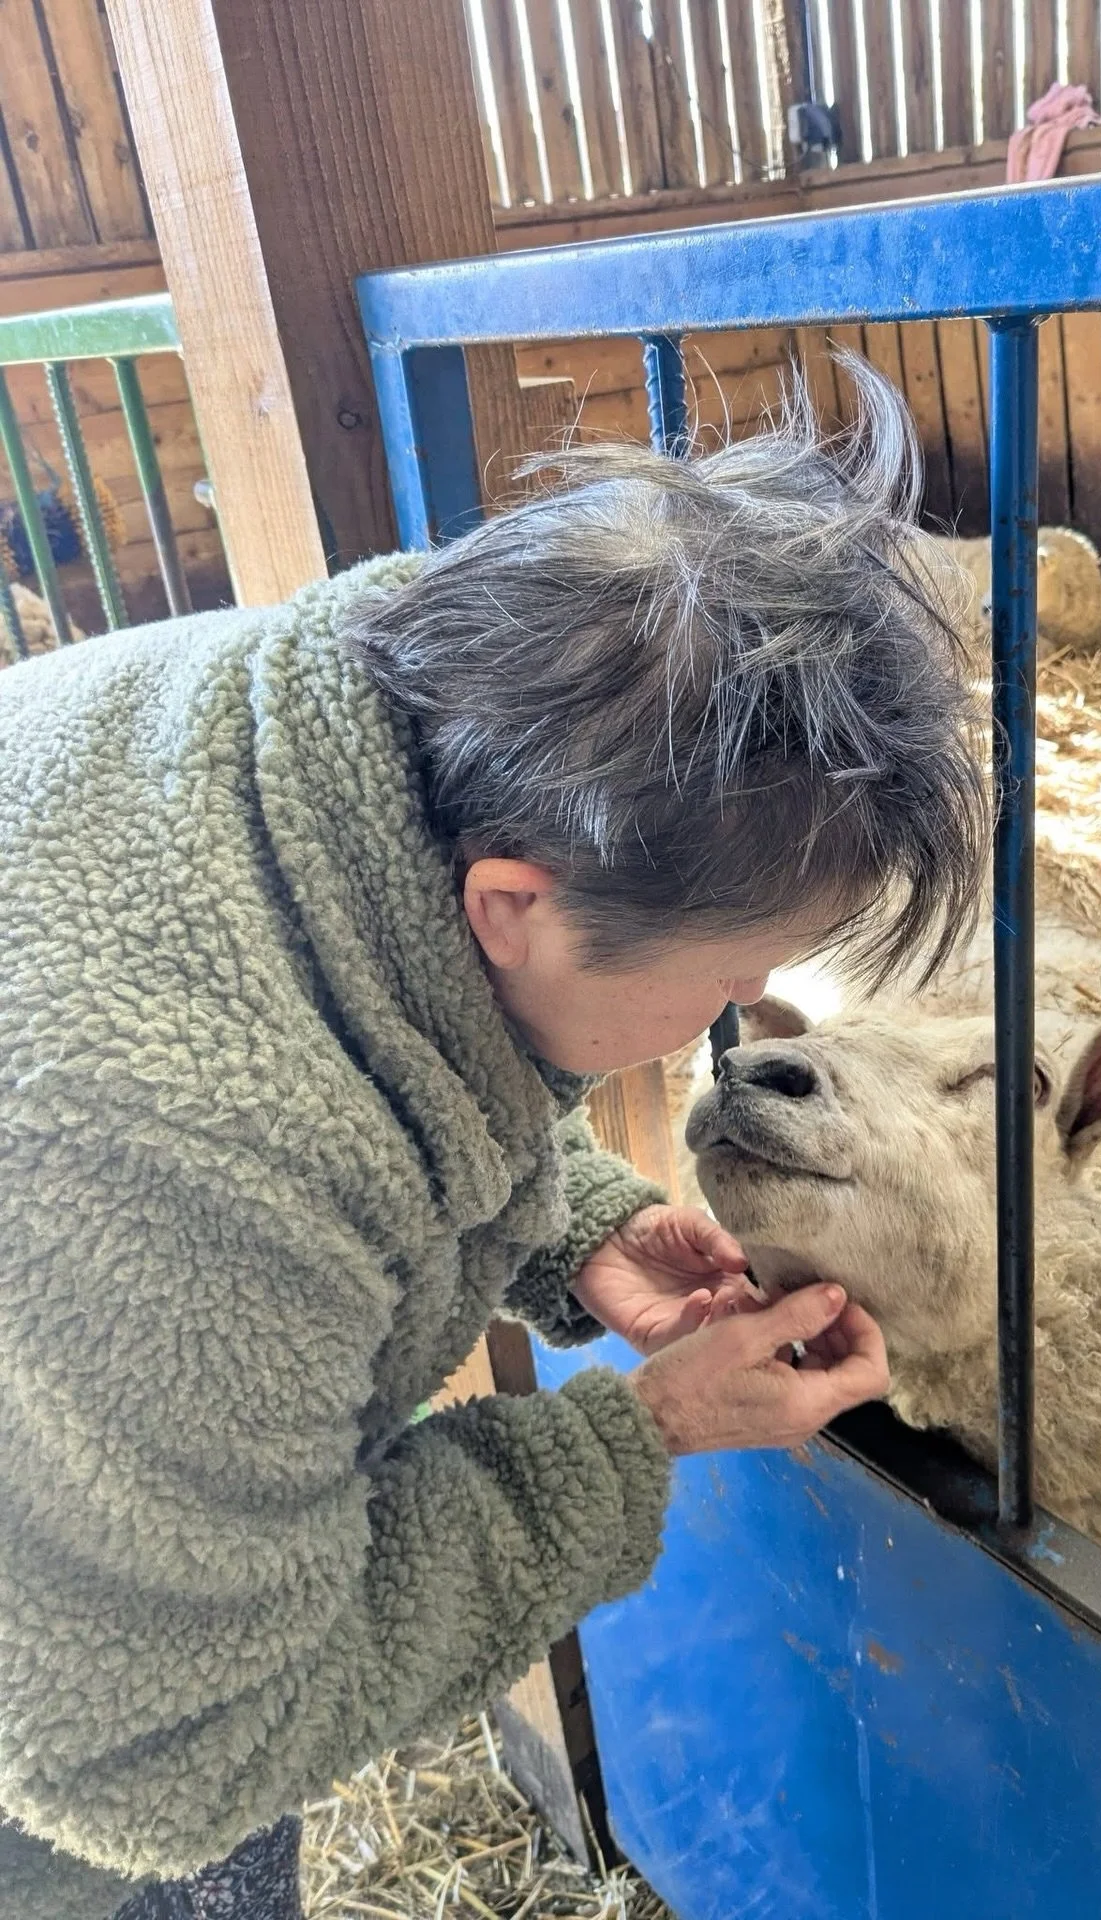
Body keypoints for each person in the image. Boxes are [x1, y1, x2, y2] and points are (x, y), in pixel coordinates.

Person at [0, 367, 987, 1919]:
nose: (745, 1013)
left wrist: (570, 1219)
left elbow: (389, 1021)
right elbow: (158, 1757)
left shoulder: (317, 727)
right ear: (516, 907)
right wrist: (637, 1434)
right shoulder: (180, 1171)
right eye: (730, 979)